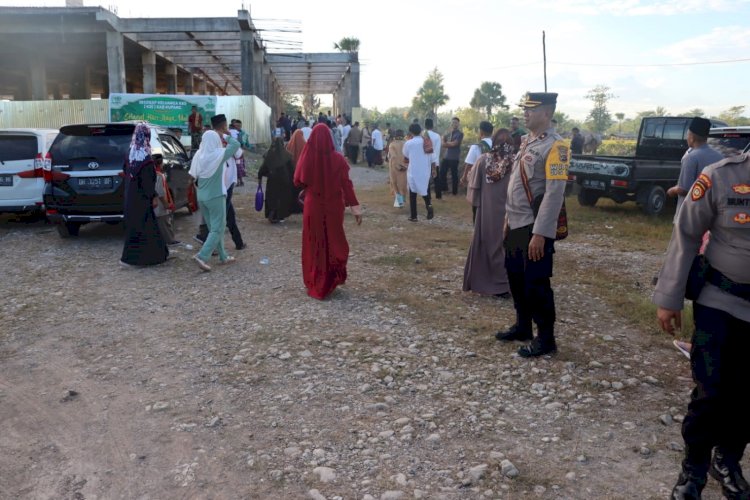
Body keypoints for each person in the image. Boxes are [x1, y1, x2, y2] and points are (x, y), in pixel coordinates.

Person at [654, 151, 750, 500]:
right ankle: (693, 466)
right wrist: (669, 295)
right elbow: (687, 234)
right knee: (711, 390)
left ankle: (727, 460)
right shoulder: (719, 176)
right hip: (720, 301)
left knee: (747, 394)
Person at [497, 93, 569, 358]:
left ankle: (546, 339)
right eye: (524, 109)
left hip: (534, 226)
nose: (525, 114)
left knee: (536, 283)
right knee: (515, 276)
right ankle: (522, 326)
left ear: (547, 113)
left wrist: (541, 233)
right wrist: (506, 218)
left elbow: (554, 193)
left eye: (531, 109)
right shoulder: (526, 142)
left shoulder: (557, 147)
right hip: (516, 222)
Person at [293, 123, 362, 300]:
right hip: (333, 207)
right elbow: (347, 185)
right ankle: (331, 278)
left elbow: (298, 181)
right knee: (334, 240)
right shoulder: (338, 159)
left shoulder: (307, 157)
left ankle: (315, 279)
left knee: (314, 243)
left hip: (313, 206)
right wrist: (355, 208)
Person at [463, 129, 514, 297]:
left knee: (486, 244)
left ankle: (486, 282)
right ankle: (506, 284)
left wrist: (478, 205)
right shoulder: (516, 162)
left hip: (487, 212)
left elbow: (474, 186)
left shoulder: (484, 160)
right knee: (506, 247)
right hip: (511, 213)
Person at [189, 114, 240, 272]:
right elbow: (236, 144)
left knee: (213, 228)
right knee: (218, 228)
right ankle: (202, 256)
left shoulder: (199, 154)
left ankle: (223, 255)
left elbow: (192, 175)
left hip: (202, 196)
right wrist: (224, 133)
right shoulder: (218, 154)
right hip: (216, 195)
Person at [120, 123, 169, 267]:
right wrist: (153, 196)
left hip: (130, 198)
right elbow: (148, 183)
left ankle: (154, 256)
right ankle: (147, 258)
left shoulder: (130, 154)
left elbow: (125, 172)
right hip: (142, 200)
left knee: (138, 228)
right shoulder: (146, 159)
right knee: (146, 228)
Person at [667, 117, 724, 219]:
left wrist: (672, 190)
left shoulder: (691, 157)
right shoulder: (719, 156)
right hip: (711, 213)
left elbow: (684, 189)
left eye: (687, 135)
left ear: (692, 137)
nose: (687, 138)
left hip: (689, 215)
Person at [258, 137, 297, 223]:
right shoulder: (287, 155)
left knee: (272, 197)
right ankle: (279, 215)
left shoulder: (269, 155)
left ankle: (272, 212)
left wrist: (260, 176)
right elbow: (292, 170)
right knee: (283, 198)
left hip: (272, 181)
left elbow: (263, 168)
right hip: (284, 181)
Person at [462, 121, 494, 222]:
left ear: (481, 132)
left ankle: (477, 230)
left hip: (478, 180)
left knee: (477, 205)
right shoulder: (497, 145)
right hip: (493, 180)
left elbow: (469, 164)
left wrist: (464, 177)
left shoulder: (477, 146)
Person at [403, 123, 434, 222]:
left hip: (413, 171)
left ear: (411, 132)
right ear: (420, 130)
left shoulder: (409, 143)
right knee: (424, 190)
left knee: (413, 193)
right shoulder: (426, 142)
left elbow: (405, 155)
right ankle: (429, 205)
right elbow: (432, 156)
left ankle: (414, 216)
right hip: (425, 170)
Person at [152, 154, 179, 246]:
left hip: (155, 205)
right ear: (160, 163)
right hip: (160, 205)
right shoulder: (159, 175)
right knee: (165, 224)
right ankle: (170, 241)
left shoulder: (151, 174)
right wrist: (166, 204)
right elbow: (160, 192)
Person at [437, 117, 464, 198]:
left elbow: (454, 144)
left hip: (454, 157)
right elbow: (443, 141)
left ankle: (454, 192)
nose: (454, 124)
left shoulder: (460, 134)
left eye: (456, 122)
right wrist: (446, 143)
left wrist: (445, 143)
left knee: (454, 175)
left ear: (458, 124)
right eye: (453, 122)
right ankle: (444, 189)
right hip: (446, 156)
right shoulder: (448, 133)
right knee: (442, 172)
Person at [388, 129, 408, 208]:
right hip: (405, 166)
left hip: (395, 167)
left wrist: (396, 165)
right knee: (403, 184)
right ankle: (402, 200)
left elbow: (393, 156)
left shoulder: (392, 145)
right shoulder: (406, 143)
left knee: (395, 184)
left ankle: (400, 202)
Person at [424, 118, 442, 197]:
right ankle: (438, 195)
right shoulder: (437, 136)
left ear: (425, 125)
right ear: (432, 125)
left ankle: (428, 195)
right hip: (435, 160)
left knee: (427, 179)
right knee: (436, 178)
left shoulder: (422, 135)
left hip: (425, 160)